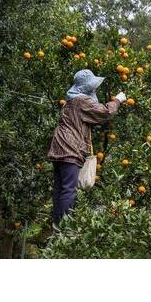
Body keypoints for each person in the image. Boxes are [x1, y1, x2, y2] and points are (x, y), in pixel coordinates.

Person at [47, 69, 126, 225]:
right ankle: (62, 227)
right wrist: (118, 100)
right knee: (69, 189)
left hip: (58, 147)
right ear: (85, 87)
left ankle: (56, 224)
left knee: (60, 188)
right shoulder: (81, 101)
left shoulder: (70, 102)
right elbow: (105, 112)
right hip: (69, 147)